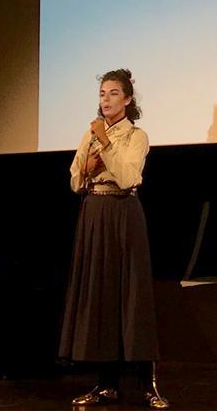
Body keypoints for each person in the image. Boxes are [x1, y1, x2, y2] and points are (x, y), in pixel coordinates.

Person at [59, 69, 169, 409]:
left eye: (113, 93)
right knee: (100, 294)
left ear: (127, 99)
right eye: (102, 93)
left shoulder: (136, 135)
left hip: (123, 212)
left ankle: (147, 385)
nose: (105, 99)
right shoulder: (89, 134)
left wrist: (105, 146)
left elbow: (127, 176)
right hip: (94, 212)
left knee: (131, 293)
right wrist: (88, 166)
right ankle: (105, 384)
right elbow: (75, 181)